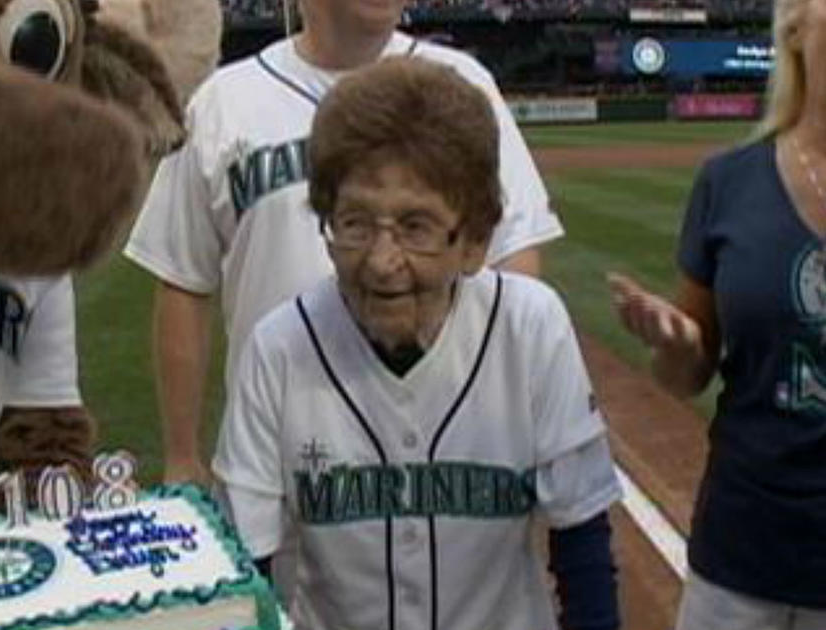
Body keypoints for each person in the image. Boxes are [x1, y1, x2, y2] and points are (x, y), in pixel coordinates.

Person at [215, 57, 621, 630]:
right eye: (354, 223)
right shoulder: (279, 350)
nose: (382, 263)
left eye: (416, 227)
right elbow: (244, 575)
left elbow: (581, 544)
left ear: (475, 240)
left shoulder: (530, 327)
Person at [124, 0, 562, 485]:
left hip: (445, 457)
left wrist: (502, 411)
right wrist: (182, 454)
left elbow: (513, 254)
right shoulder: (223, 103)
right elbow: (184, 280)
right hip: (278, 462)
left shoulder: (463, 85)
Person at [608, 0, 826, 624]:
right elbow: (687, 374)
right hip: (741, 555)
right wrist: (677, 350)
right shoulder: (728, 181)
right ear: (795, 27)